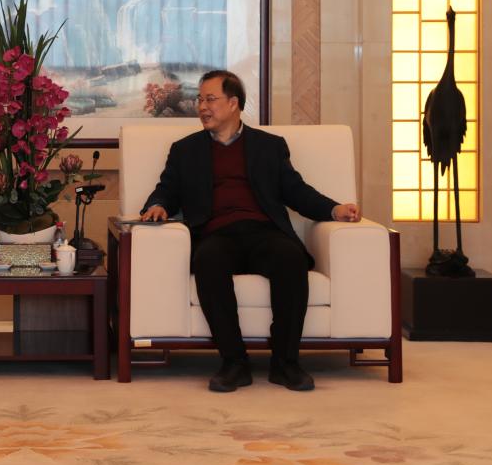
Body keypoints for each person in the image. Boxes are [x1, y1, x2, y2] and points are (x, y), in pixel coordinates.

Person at [140, 69, 361, 393]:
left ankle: (285, 364)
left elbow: (296, 191)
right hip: (215, 234)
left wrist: (334, 209)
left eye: (210, 99)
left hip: (263, 232)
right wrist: (158, 205)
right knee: (207, 260)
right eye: (200, 99)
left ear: (233, 103)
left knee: (290, 258)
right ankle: (234, 363)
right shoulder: (185, 150)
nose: (202, 106)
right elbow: (166, 189)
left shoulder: (269, 147)